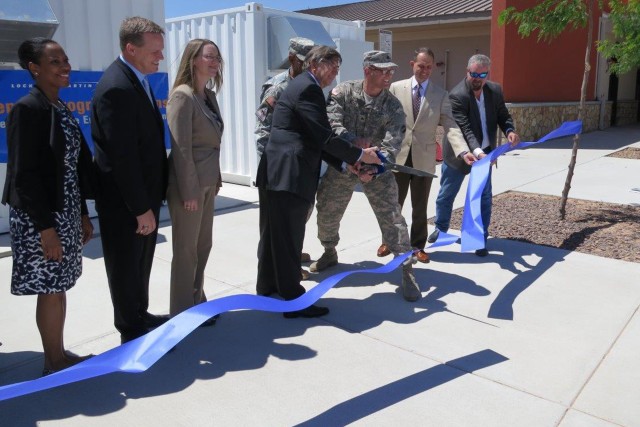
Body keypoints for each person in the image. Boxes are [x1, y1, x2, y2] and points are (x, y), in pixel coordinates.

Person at [256, 45, 381, 317]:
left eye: (338, 66)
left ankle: (268, 288)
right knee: (288, 237)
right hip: (290, 173)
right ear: (315, 65)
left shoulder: (303, 85)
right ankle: (292, 300)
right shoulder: (309, 89)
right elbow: (324, 137)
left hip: (277, 171)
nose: (336, 72)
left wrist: (349, 164)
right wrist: (361, 155)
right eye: (332, 65)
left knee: (275, 235)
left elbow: (316, 138)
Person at [2, 38, 95, 375]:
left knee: (59, 285)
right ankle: (52, 361)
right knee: (50, 288)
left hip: (65, 210)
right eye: (55, 62)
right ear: (35, 68)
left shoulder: (58, 107)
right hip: (40, 218)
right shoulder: (28, 109)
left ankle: (58, 354)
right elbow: (23, 177)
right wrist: (46, 230)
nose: (64, 66)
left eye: (65, 60)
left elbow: (71, 169)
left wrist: (82, 213)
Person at [311, 50, 423, 302]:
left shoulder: (392, 105)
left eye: (391, 71)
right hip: (344, 165)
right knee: (327, 210)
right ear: (367, 71)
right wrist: (355, 152)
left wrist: (375, 167)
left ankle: (406, 268)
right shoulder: (343, 93)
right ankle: (329, 250)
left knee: (393, 218)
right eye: (383, 71)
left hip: (376, 171)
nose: (388, 75)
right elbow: (332, 126)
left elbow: (394, 141)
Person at [91, 17, 169, 343]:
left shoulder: (137, 79)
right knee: (125, 267)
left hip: (143, 197)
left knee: (141, 263)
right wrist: (140, 208)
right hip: (126, 204)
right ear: (130, 48)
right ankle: (131, 330)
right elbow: (122, 158)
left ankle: (140, 312)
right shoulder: (117, 88)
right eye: (154, 51)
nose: (160, 57)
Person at [377, 47, 465, 263]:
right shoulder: (395, 89)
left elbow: (451, 125)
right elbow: (381, 118)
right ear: (412, 64)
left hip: (423, 160)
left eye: (428, 67)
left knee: (420, 206)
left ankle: (417, 246)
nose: (424, 70)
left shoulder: (441, 94)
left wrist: (462, 149)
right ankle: (389, 240)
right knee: (392, 203)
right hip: (397, 157)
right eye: (420, 66)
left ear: (433, 67)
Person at [428, 54, 520, 256]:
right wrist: (477, 152)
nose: (477, 78)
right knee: (446, 195)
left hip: (485, 155)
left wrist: (510, 130)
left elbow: (503, 116)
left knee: (484, 198)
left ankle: (480, 238)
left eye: (482, 74)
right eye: (474, 73)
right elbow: (465, 129)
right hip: (459, 155)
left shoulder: (495, 91)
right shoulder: (457, 95)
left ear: (488, 74)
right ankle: (441, 228)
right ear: (467, 72)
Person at [166, 39, 224, 324]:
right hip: (188, 188)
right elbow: (181, 148)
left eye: (217, 58)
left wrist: (217, 177)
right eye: (209, 57)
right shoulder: (182, 96)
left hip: (207, 183)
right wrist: (189, 190)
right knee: (186, 251)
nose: (215, 63)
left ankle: (196, 298)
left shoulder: (207, 96)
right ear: (193, 60)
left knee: (203, 246)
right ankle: (180, 313)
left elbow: (212, 143)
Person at [255, 37, 315, 280]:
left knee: (296, 220)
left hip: (299, 168)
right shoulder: (278, 87)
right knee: (273, 225)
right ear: (292, 59)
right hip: (278, 171)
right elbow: (263, 131)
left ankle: (291, 256)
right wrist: (272, 169)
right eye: (306, 62)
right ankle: (272, 269)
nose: (311, 68)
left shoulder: (308, 84)